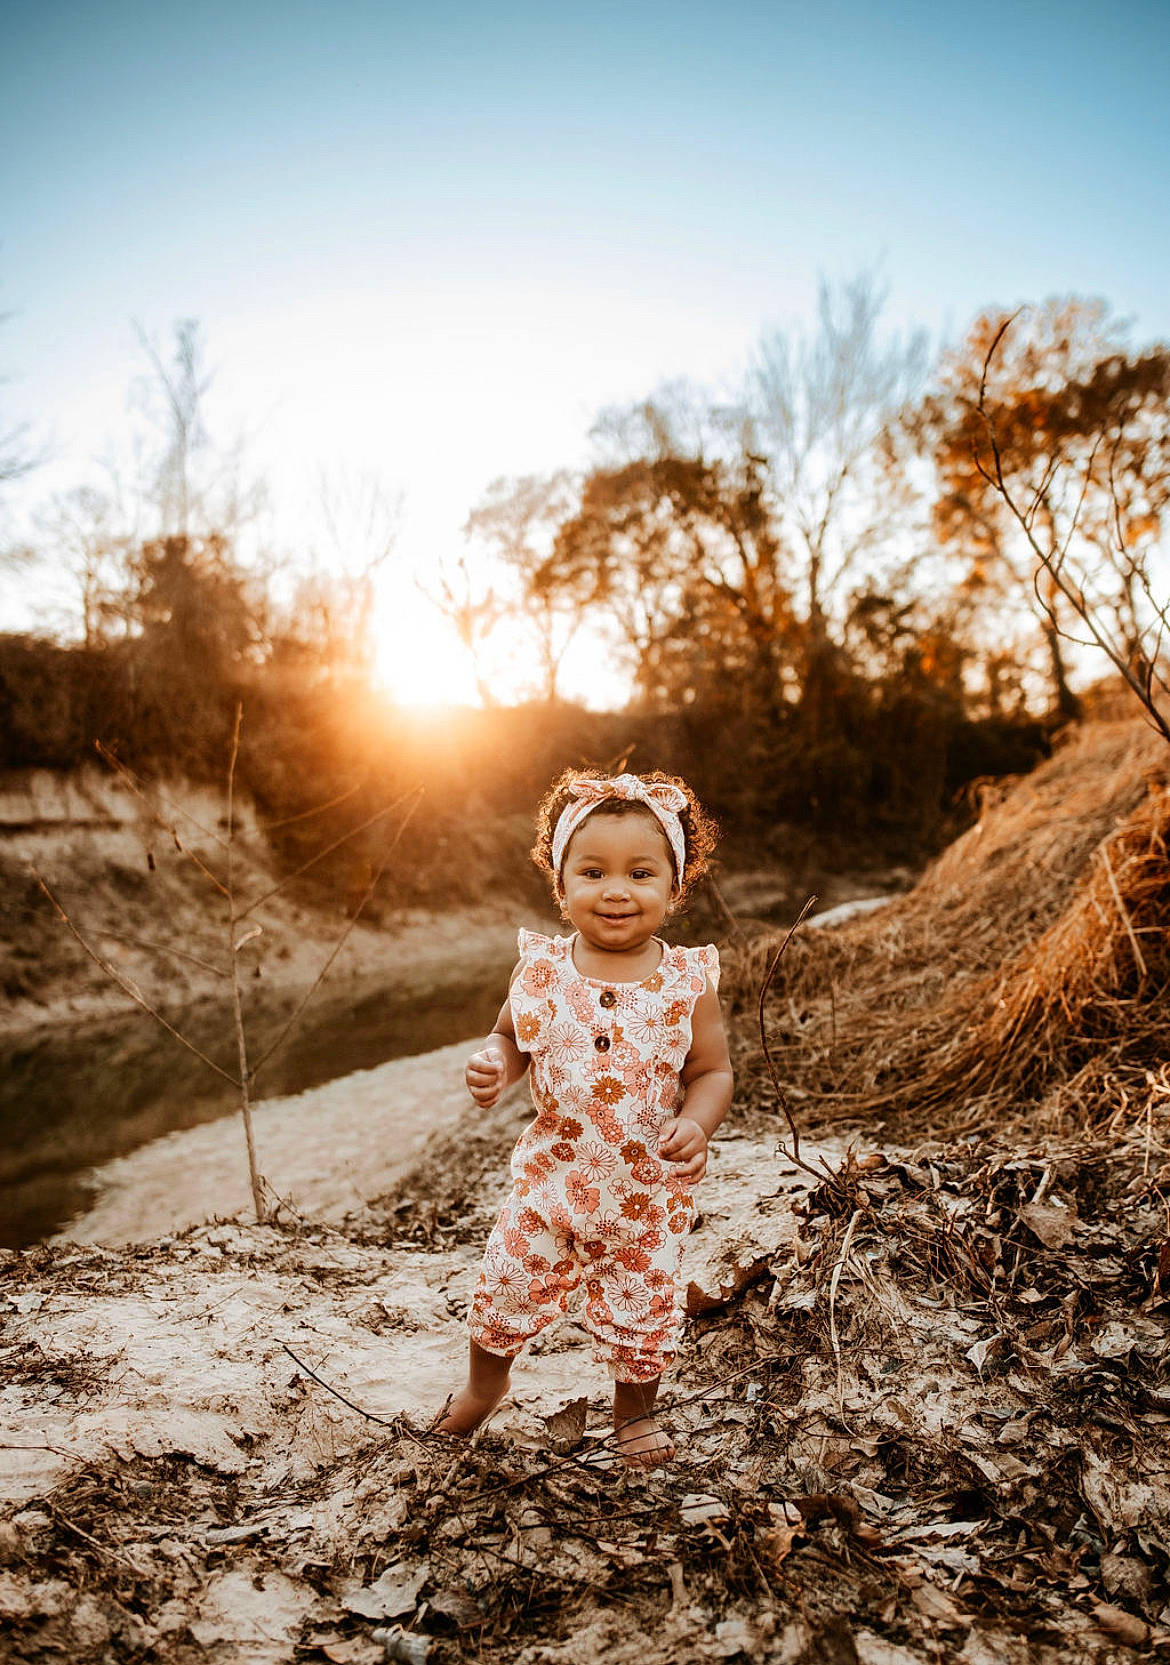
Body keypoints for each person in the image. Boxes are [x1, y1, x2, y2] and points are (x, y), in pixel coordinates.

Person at [435, 769, 734, 1467]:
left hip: (644, 1191)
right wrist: (493, 1065)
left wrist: (698, 1122)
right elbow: (511, 1037)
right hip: (550, 1179)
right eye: (593, 870)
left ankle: (633, 1416)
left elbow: (712, 1071)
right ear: (561, 881)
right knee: (505, 1281)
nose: (617, 889)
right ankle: (484, 1387)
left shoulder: (687, 983)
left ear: (675, 885)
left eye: (641, 872)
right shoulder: (542, 971)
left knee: (642, 1307)